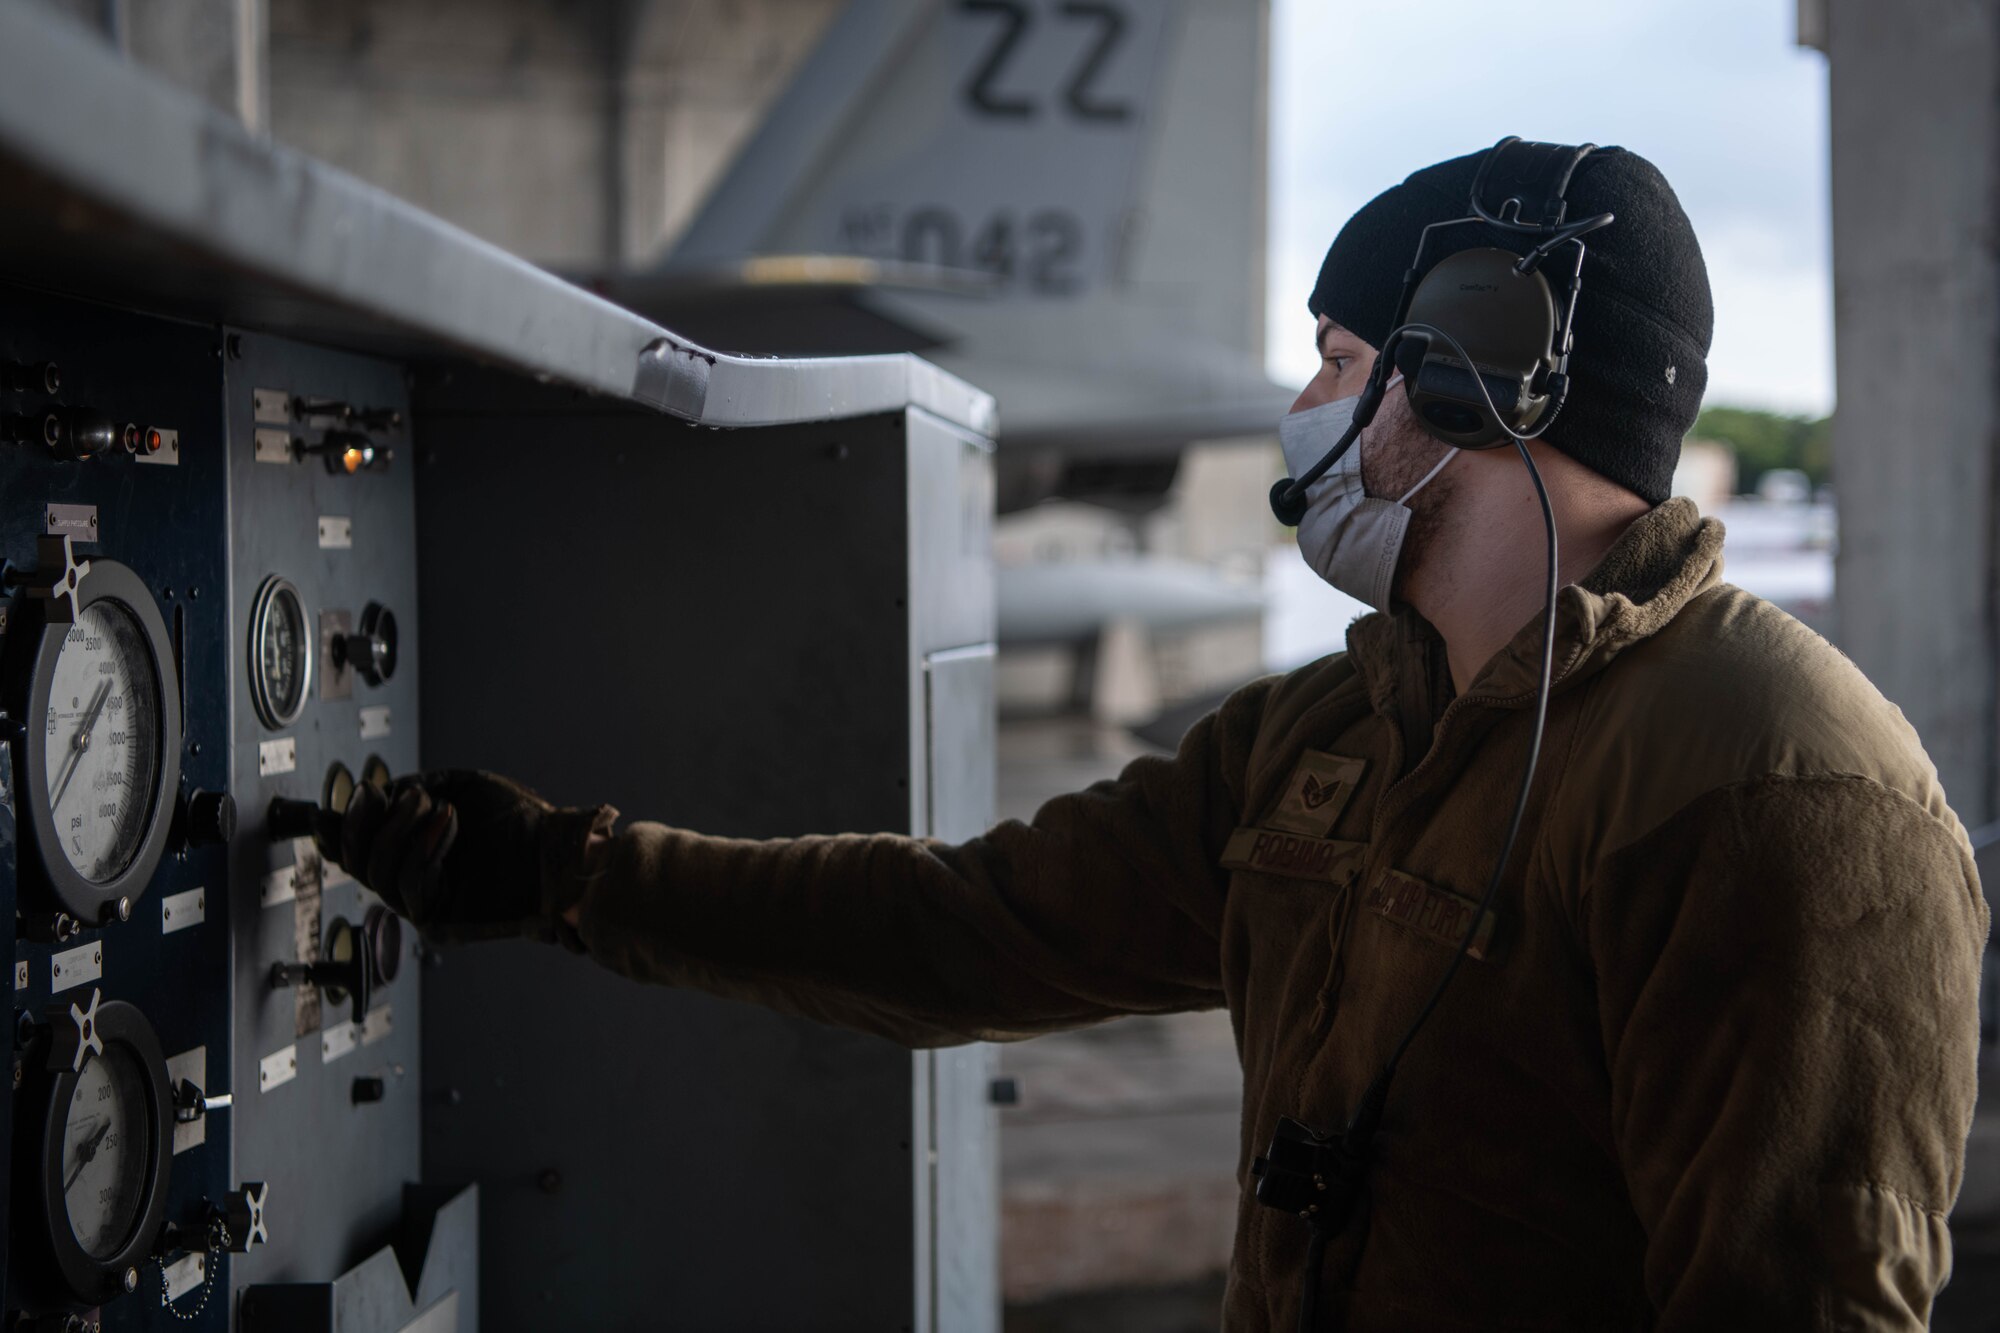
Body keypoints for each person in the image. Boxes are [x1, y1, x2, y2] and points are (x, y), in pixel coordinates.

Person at [331, 143, 1988, 1330]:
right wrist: (567, 871)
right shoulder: (1326, 731)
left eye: (1341, 359)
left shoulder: (1785, 793)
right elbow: (962, 930)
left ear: (1479, 372)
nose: (1307, 405)